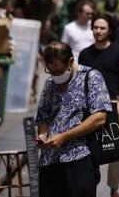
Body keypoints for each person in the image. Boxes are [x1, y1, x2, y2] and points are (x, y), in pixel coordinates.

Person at [35, 41, 112, 197]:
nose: (55, 76)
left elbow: (99, 117)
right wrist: (43, 135)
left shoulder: (91, 77)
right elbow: (43, 116)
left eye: (58, 71)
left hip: (80, 158)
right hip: (50, 161)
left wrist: (65, 136)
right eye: (51, 72)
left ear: (70, 61)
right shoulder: (50, 83)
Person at [78, 14, 119, 197]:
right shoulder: (85, 54)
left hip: (114, 103)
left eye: (102, 28)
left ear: (109, 30)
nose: (98, 31)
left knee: (114, 148)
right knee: (91, 147)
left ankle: (114, 188)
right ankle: (91, 183)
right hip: (90, 107)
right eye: (96, 27)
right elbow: (80, 81)